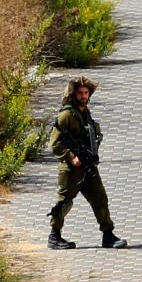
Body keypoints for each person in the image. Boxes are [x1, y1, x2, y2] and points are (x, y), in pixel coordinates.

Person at [47, 76, 127, 250]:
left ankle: (108, 235)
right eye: (80, 93)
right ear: (73, 94)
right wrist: (71, 157)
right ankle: (54, 236)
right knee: (64, 202)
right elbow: (55, 143)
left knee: (100, 198)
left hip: (88, 165)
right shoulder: (66, 115)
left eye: (86, 93)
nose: (83, 96)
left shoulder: (85, 112)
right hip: (72, 169)